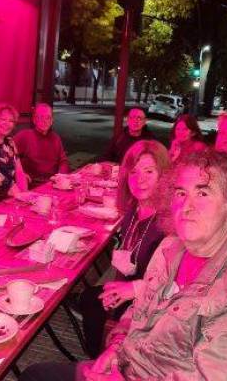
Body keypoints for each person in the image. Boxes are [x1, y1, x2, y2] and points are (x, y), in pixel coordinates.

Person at [20, 148, 227, 381]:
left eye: (203, 193)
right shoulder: (170, 248)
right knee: (35, 374)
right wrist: (116, 347)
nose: (186, 206)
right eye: (180, 193)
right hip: (132, 363)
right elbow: (140, 311)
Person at [79, 140, 170, 358]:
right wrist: (117, 285)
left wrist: (128, 298)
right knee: (89, 298)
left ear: (165, 175)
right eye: (133, 172)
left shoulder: (168, 224)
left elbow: (168, 285)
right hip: (131, 285)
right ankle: (97, 358)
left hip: (154, 302)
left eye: (149, 171)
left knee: (92, 304)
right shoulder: (133, 211)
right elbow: (125, 256)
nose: (140, 179)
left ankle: (98, 361)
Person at [14, 103, 70, 186]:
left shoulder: (55, 138)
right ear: (34, 120)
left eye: (48, 118)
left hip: (53, 182)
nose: (44, 121)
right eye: (41, 117)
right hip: (32, 184)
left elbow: (63, 161)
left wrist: (61, 175)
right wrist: (20, 174)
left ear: (51, 121)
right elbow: (8, 156)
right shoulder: (24, 136)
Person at [0, 103, 27, 199]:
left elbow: (19, 172)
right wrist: (6, 191)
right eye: (3, 119)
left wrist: (25, 195)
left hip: (14, 195)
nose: (7, 124)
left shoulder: (10, 142)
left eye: (11, 121)